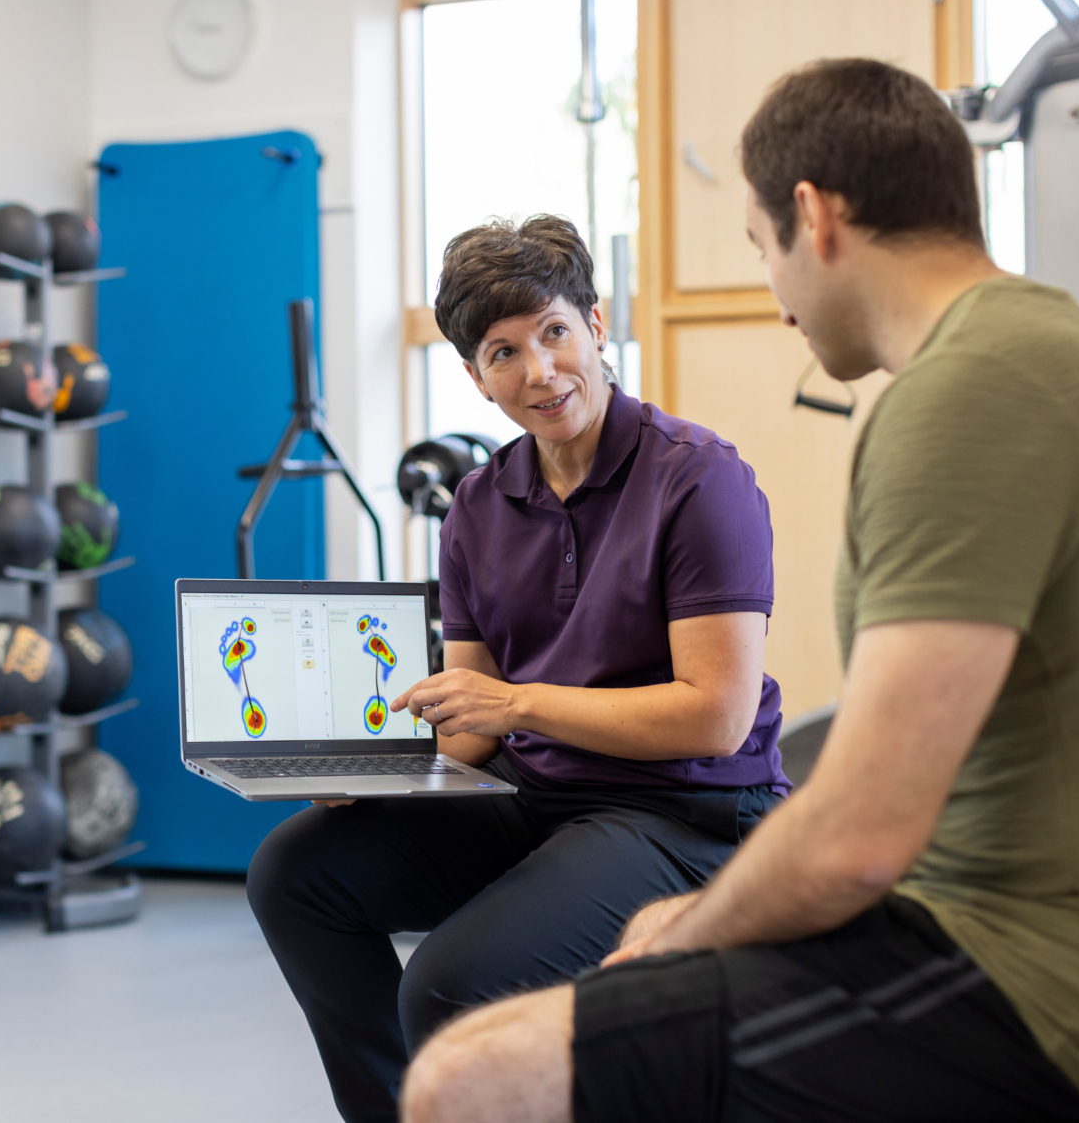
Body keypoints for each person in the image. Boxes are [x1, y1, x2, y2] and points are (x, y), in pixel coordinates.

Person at [401, 58, 1079, 1123]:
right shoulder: (1025, 349)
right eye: (502, 353)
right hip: (1000, 914)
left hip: (1060, 976)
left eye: (757, 246)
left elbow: (858, 830)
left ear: (812, 219)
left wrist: (690, 924)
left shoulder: (968, 391)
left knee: (473, 1072)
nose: (775, 299)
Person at [246, 214, 790, 1123]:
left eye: (553, 332)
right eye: (503, 351)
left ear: (594, 324)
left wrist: (516, 702)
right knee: (295, 878)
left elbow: (715, 717)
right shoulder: (479, 503)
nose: (539, 371)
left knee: (450, 987)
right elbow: (473, 722)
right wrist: (366, 767)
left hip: (685, 813)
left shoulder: (699, 480)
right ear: (474, 375)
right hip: (535, 798)